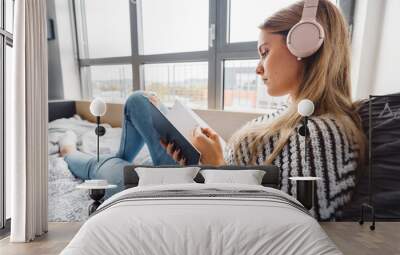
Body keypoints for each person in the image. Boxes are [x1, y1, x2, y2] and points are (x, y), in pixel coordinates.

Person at [61, 0, 365, 219]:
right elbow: (260, 173)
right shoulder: (294, 114)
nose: (259, 68)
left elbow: (280, 223)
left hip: (189, 195)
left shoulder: (321, 135)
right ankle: (118, 158)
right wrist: (216, 151)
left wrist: (217, 165)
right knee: (139, 101)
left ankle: (70, 150)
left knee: (100, 169)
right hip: (199, 176)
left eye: (265, 52)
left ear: (305, 45)